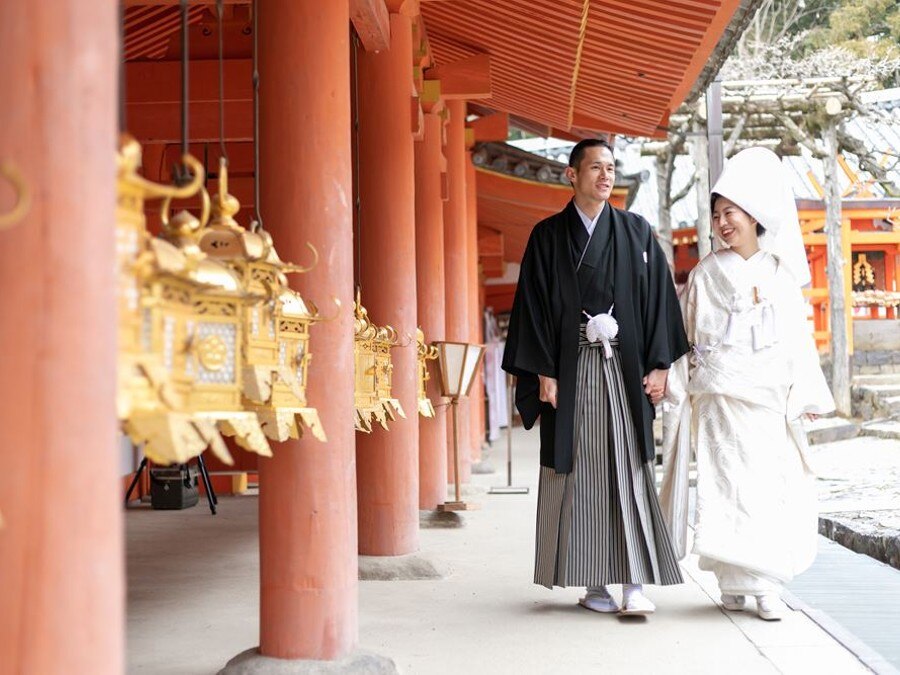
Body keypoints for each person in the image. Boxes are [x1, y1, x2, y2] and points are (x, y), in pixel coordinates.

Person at [502, 138, 690, 616]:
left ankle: (633, 581)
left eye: (611, 168)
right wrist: (544, 371)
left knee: (629, 467)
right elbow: (534, 306)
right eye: (595, 168)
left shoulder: (635, 231)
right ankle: (593, 582)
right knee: (582, 470)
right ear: (572, 175)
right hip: (572, 368)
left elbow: (658, 300)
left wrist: (660, 364)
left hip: (624, 369)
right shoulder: (547, 236)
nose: (606, 176)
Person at [660, 147, 835, 621]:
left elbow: (797, 340)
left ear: (754, 216)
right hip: (718, 398)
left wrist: (806, 394)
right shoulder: (703, 274)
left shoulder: (779, 276)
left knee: (762, 487)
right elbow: (686, 340)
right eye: (716, 215)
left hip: (764, 399)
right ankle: (733, 581)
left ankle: (764, 585)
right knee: (723, 486)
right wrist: (673, 386)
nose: (721, 223)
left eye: (729, 213)